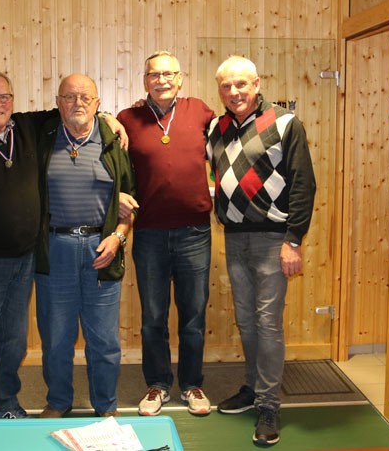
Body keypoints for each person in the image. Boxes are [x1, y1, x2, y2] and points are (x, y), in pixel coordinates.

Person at [0, 71, 127, 420]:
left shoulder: (28, 130)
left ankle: (5, 406)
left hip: (23, 261)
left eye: (4, 97)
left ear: (12, 101)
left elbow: (75, 107)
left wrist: (109, 117)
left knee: (12, 341)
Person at [207, 56, 316, 445]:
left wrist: (293, 241)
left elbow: (303, 184)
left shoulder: (285, 123)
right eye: (226, 86)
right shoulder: (216, 129)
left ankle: (269, 405)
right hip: (234, 238)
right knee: (246, 320)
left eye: (241, 84)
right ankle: (253, 388)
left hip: (274, 240)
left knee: (268, 323)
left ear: (257, 84)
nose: (234, 92)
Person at [116, 51, 216, 416]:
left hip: (194, 233)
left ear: (180, 77)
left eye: (168, 74)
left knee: (193, 316)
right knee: (153, 318)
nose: (161, 80)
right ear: (145, 80)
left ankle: (192, 385)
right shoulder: (127, 119)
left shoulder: (200, 110)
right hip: (149, 235)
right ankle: (157, 385)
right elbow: (109, 156)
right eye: (154, 75)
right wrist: (105, 117)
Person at [34, 74, 136, 418]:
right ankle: (58, 402)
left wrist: (117, 237)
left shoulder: (112, 142)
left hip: (101, 249)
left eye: (85, 98)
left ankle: (105, 407)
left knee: (104, 340)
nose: (77, 103)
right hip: (55, 250)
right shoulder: (43, 138)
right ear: (58, 102)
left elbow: (131, 202)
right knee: (56, 338)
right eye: (69, 97)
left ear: (97, 103)